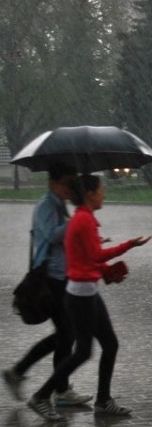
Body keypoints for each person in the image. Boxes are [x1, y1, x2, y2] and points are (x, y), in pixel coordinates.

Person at [26, 174, 151, 421]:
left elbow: (86, 259)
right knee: (83, 352)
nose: (104, 194)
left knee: (110, 344)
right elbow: (95, 256)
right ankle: (41, 396)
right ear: (90, 194)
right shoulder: (83, 220)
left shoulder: (86, 219)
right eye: (101, 190)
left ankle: (103, 400)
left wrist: (107, 273)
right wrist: (129, 245)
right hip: (81, 296)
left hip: (88, 292)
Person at [3, 163, 92, 407]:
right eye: (68, 183)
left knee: (66, 335)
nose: (71, 188)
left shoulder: (59, 205)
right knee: (67, 333)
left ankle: (32, 377)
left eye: (74, 184)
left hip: (61, 277)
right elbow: (53, 235)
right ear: (53, 182)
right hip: (50, 279)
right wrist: (76, 222)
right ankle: (51, 386)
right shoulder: (46, 205)